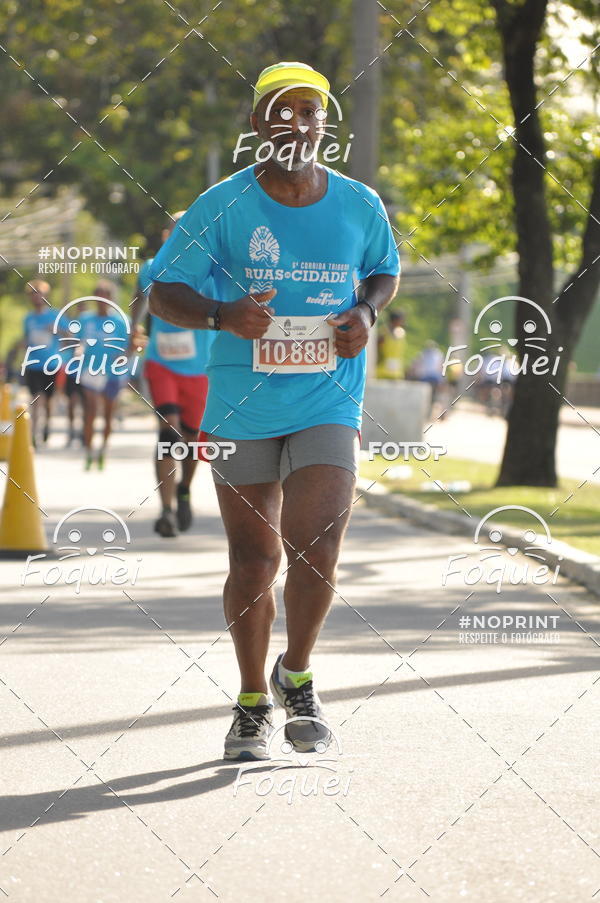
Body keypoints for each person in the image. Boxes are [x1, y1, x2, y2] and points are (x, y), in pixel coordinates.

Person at [149, 61, 400, 761]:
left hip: (328, 398)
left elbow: (384, 269)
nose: (296, 123)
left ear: (323, 124)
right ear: (258, 122)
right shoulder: (221, 205)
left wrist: (365, 311)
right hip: (241, 403)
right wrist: (221, 314)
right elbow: (163, 291)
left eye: (309, 111)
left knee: (317, 548)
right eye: (281, 111)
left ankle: (299, 674)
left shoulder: (358, 203)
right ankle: (253, 699)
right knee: (255, 560)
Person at [131, 213, 215, 537]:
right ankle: (165, 510)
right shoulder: (152, 267)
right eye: (175, 231)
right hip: (161, 364)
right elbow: (140, 296)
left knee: (192, 440)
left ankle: (184, 490)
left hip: (199, 370)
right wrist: (134, 328)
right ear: (167, 234)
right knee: (169, 433)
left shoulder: (211, 269)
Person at [80, 281, 137, 470]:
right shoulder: (85, 320)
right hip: (91, 370)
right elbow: (77, 341)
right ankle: (89, 451)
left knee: (107, 414)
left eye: (105, 296)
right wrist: (78, 350)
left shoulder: (121, 321)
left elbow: (132, 346)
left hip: (113, 373)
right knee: (90, 410)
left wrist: (124, 356)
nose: (102, 300)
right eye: (98, 296)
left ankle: (103, 449)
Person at [19, 280, 58, 446]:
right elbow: (26, 338)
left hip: (51, 364)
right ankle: (33, 433)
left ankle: (47, 424)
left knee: (48, 400)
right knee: (35, 398)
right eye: (33, 294)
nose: (36, 297)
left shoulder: (55, 315)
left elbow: (71, 334)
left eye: (39, 294)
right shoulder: (28, 318)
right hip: (32, 364)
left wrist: (56, 329)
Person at [376, 309, 406, 379]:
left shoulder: (401, 332)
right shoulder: (383, 332)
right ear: (394, 320)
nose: (402, 322)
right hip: (382, 370)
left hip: (397, 371)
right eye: (401, 320)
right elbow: (378, 348)